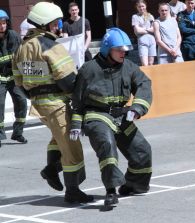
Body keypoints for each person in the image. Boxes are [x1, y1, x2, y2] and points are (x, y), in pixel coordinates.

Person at [12, 2, 93, 204]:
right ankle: (72, 189)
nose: (58, 26)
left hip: (39, 105)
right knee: (71, 145)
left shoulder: (22, 47)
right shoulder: (49, 45)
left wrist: (36, 95)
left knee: (58, 138)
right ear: (45, 24)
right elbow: (67, 79)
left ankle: (51, 170)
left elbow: (19, 81)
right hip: (57, 103)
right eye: (55, 22)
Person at [70, 28, 153, 207]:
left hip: (120, 116)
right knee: (107, 145)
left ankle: (133, 184)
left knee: (142, 150)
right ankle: (110, 191)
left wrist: (137, 107)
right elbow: (77, 101)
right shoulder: (88, 69)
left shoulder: (128, 66)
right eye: (119, 50)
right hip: (96, 115)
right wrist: (76, 124)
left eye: (125, 50)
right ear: (108, 49)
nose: (125, 53)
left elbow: (144, 83)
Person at [0, 9, 28, 148]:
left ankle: (17, 132)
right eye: (0, 23)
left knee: (22, 102)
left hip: (14, 77)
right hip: (0, 79)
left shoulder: (13, 36)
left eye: (4, 22)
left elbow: (21, 54)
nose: (2, 25)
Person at [132, 0, 156, 66]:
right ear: (137, 7)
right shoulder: (135, 17)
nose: (141, 8)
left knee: (151, 63)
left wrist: (143, 29)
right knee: (145, 64)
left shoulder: (150, 16)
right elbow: (137, 30)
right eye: (139, 6)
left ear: (146, 6)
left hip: (151, 41)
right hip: (142, 41)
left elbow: (154, 29)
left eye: (143, 6)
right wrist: (148, 29)